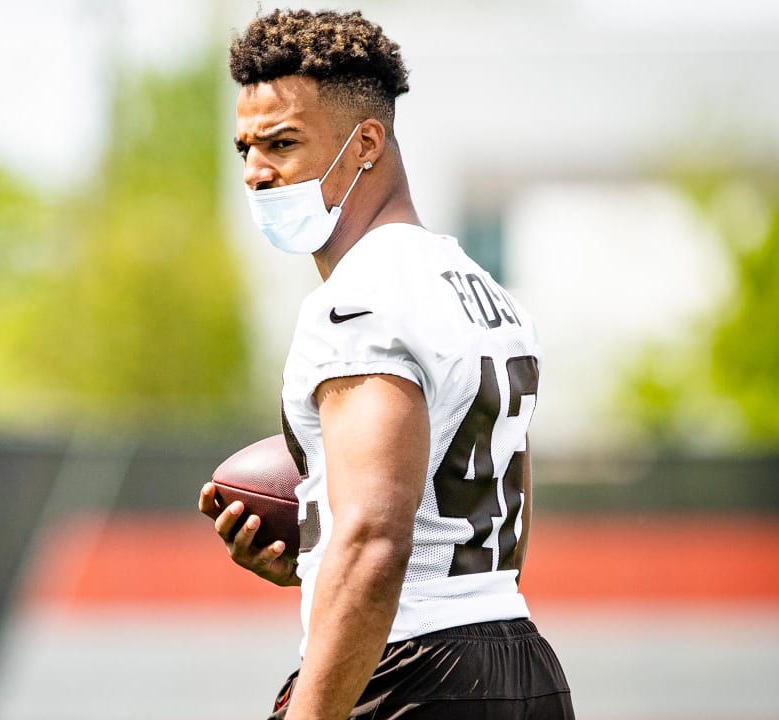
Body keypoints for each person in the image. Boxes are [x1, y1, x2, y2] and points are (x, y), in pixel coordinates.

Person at [197, 9, 575, 720]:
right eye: (244, 147)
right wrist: (314, 553)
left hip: (411, 673)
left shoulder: (361, 300)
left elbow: (375, 540)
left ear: (366, 142)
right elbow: (472, 524)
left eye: (281, 143)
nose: (254, 172)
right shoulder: (481, 290)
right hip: (521, 666)